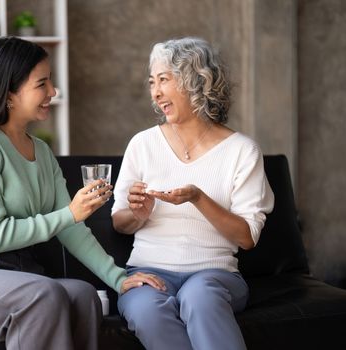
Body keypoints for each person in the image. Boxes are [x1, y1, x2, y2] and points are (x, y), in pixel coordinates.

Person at [0, 37, 149, 350]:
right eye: (42, 83)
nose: (52, 92)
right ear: (9, 94)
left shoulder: (41, 151)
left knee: (83, 295)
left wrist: (119, 279)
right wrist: (70, 211)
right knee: (45, 293)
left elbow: (72, 229)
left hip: (16, 271)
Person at [111, 37, 275, 350]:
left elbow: (247, 237)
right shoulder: (142, 145)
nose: (155, 92)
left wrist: (198, 198)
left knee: (198, 297)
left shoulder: (242, 151)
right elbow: (120, 221)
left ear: (195, 82)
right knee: (146, 310)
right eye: (151, 82)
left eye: (164, 80)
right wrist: (137, 214)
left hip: (215, 274)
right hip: (148, 272)